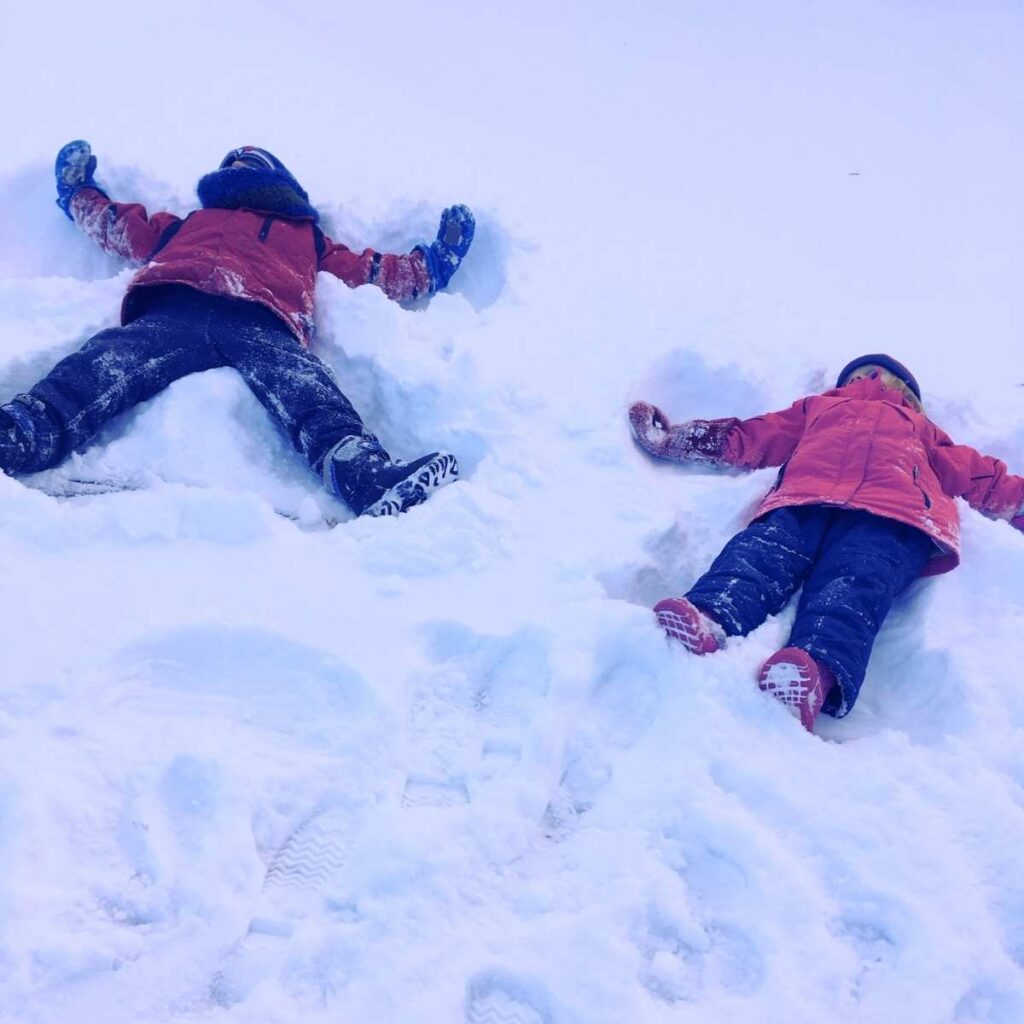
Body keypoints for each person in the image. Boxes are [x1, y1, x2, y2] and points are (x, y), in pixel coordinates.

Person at [0, 141, 475, 517]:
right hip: (176, 306)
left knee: (307, 389)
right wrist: (78, 193)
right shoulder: (193, 222)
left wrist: (430, 265)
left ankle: (365, 475)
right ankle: (22, 430)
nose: (241, 173)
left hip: (261, 321)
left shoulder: (305, 237)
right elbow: (121, 225)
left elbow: (370, 271)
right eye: (235, 167)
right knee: (102, 364)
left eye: (249, 167)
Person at [629, 354, 1024, 731]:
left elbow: (981, 476)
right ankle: (710, 614)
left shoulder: (926, 433)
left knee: (854, 584)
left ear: (911, 399)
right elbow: (755, 435)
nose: (873, 382)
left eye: (888, 379)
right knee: (761, 553)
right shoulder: (817, 409)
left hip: (894, 514)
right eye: (860, 375)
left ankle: (815, 670)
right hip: (806, 497)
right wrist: (679, 439)